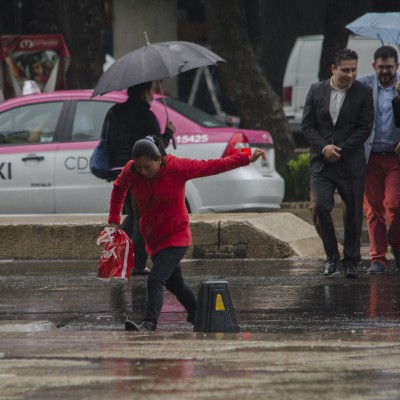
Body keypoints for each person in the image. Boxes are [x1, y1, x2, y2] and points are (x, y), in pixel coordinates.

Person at [106, 136, 266, 331]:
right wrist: (114, 220)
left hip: (176, 235)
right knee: (176, 284)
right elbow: (118, 188)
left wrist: (246, 158)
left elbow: (213, 165)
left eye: (147, 166)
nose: (143, 171)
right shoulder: (132, 170)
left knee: (155, 279)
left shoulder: (177, 167)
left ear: (159, 158)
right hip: (153, 237)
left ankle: (149, 324)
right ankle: (197, 314)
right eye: (139, 167)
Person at [301, 48, 374, 278]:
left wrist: (341, 150)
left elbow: (365, 127)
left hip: (350, 162)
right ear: (333, 69)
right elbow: (307, 125)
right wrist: (324, 148)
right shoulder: (315, 90)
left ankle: (351, 261)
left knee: (353, 213)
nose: (351, 75)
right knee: (319, 207)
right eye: (345, 70)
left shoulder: (363, 92)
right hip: (322, 163)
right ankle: (331, 255)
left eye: (354, 70)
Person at [107, 81, 176, 275]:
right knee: (142, 219)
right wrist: (169, 132)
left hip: (119, 168)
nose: (153, 95)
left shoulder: (117, 112)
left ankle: (116, 253)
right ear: (145, 92)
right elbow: (156, 146)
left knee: (134, 217)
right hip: (139, 171)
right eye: (151, 91)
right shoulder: (146, 115)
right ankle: (137, 264)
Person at [358, 46, 400, 275]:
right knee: (373, 210)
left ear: (397, 66)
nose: (385, 71)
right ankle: (378, 258)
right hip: (371, 156)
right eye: (381, 67)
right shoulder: (363, 85)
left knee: (394, 205)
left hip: (395, 157)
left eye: (389, 67)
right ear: (374, 66)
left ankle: (398, 247)